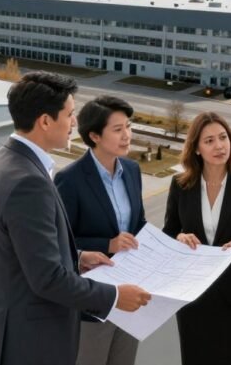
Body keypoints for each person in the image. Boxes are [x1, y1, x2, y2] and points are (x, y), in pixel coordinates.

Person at [0, 72, 151, 365]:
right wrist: (115, 297)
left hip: (12, 332)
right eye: (69, 114)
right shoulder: (28, 181)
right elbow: (47, 279)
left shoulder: (0, 161)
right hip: (31, 342)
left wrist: (77, 257)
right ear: (45, 121)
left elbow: (23, 252)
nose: (74, 123)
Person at [163, 111, 231, 365]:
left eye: (223, 137)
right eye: (209, 140)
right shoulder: (181, 185)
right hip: (193, 294)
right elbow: (169, 232)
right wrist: (179, 237)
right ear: (196, 148)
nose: (219, 146)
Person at [55, 96, 146, 365]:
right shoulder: (69, 179)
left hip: (129, 296)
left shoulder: (132, 169)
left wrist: (169, 242)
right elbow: (61, 242)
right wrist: (108, 244)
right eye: (118, 130)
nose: (127, 135)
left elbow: (138, 225)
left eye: (128, 127)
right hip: (92, 299)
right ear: (94, 135)